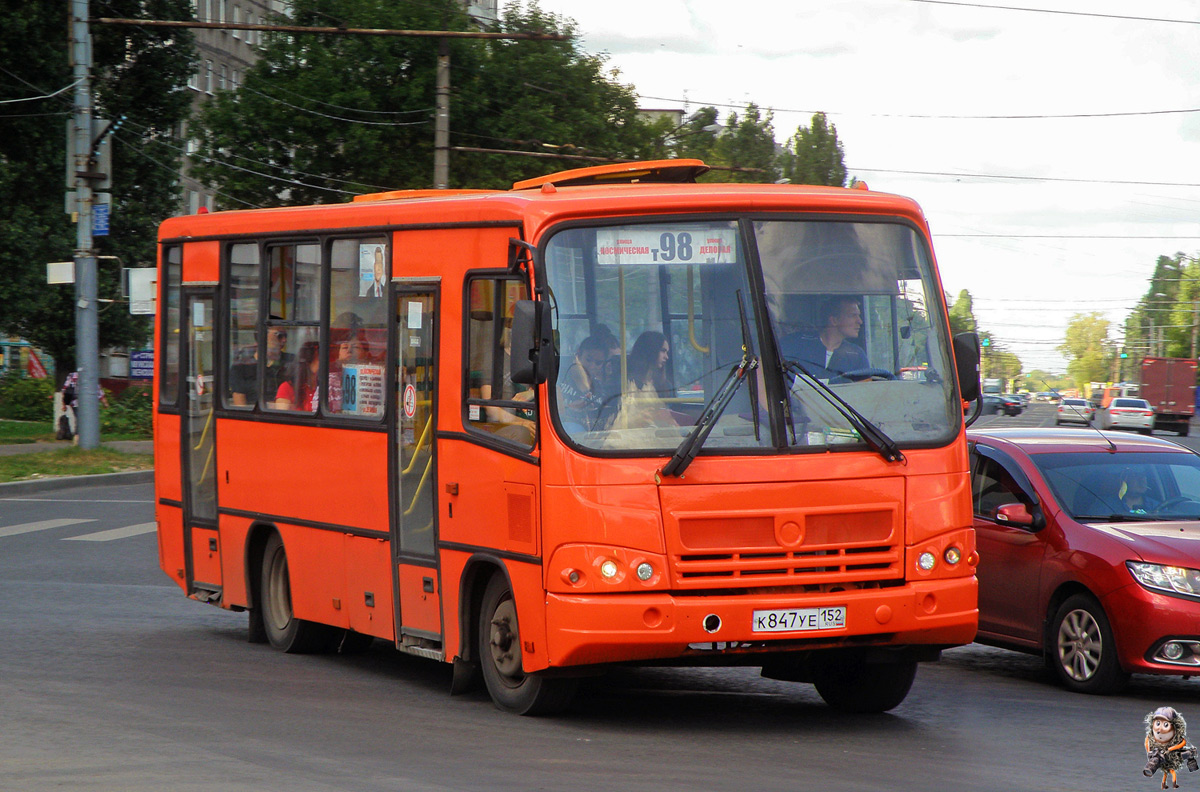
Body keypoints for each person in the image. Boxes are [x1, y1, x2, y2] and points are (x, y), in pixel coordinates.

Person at [780, 296, 870, 379]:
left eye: (859, 316)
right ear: (834, 320)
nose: (860, 321)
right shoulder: (794, 344)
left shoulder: (857, 355)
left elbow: (865, 389)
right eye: (852, 315)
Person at [557, 334, 610, 433]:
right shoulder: (560, 377)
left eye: (598, 363)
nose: (592, 365)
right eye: (588, 360)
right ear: (578, 355)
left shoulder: (600, 388)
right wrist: (569, 408)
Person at [274, 341, 320, 412]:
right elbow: (281, 417)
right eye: (319, 359)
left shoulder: (326, 387)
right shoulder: (287, 388)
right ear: (308, 362)